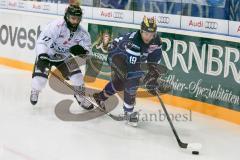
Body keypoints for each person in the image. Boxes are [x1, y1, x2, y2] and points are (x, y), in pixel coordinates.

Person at [93, 16, 165, 126]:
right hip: (116, 56)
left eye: (151, 34)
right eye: (146, 33)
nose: (148, 37)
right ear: (141, 31)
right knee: (131, 79)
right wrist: (146, 80)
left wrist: (153, 77)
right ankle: (128, 112)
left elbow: (153, 64)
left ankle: (99, 97)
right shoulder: (134, 43)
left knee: (120, 84)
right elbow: (133, 70)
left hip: (128, 58)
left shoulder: (157, 41)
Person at [30, 5, 94, 110]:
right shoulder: (56, 25)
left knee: (77, 77)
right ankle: (35, 90)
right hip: (48, 54)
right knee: (40, 79)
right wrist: (42, 55)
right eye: (73, 18)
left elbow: (88, 52)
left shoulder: (83, 33)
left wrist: (83, 52)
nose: (75, 21)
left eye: (78, 19)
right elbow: (42, 41)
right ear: (67, 16)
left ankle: (81, 98)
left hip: (64, 56)